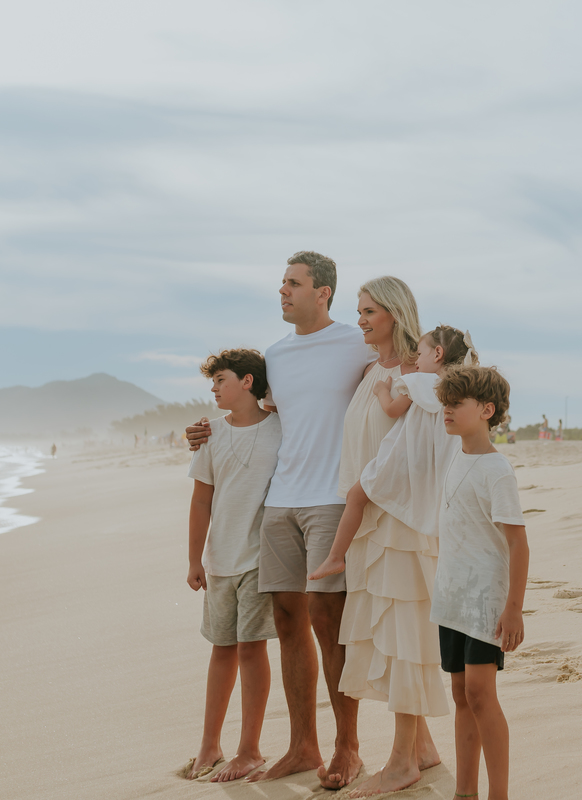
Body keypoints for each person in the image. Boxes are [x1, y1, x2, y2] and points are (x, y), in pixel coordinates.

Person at [186, 251, 373, 788]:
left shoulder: (354, 343)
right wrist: (202, 431)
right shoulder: (277, 354)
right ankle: (302, 745)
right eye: (281, 284)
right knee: (288, 623)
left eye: (293, 283)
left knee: (328, 621)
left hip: (331, 499)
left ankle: (347, 747)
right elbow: (254, 415)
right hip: (280, 501)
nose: (283, 292)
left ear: (324, 292)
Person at [329, 278, 448, 798]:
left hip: (399, 523)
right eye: (358, 311)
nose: (360, 319)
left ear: (396, 315)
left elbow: (429, 456)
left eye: (369, 311)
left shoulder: (417, 380)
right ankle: (421, 748)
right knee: (392, 633)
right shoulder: (371, 373)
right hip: (369, 525)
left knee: (404, 635)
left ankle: (401, 762)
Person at [309, 325, 475, 580]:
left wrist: (381, 392)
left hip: (402, 457)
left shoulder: (418, 381)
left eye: (420, 354)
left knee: (355, 495)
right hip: (433, 465)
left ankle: (334, 557)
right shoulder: (457, 391)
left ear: (438, 353)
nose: (416, 361)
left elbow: (392, 410)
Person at [185, 349, 283, 782]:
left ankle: (250, 748)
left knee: (251, 648)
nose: (213, 388)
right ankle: (209, 743)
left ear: (247, 381)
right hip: (220, 559)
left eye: (220, 379)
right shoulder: (211, 435)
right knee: (221, 649)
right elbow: (201, 499)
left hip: (262, 559)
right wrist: (194, 558)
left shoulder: (282, 428)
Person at [432, 366, 529, 800]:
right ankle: (464, 792)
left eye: (457, 404)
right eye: (445, 403)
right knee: (459, 693)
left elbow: (518, 543)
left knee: (480, 693)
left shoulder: (498, 470)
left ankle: (499, 795)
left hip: (486, 600)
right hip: (451, 597)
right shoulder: (456, 454)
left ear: (487, 410)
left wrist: (514, 607)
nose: (447, 411)